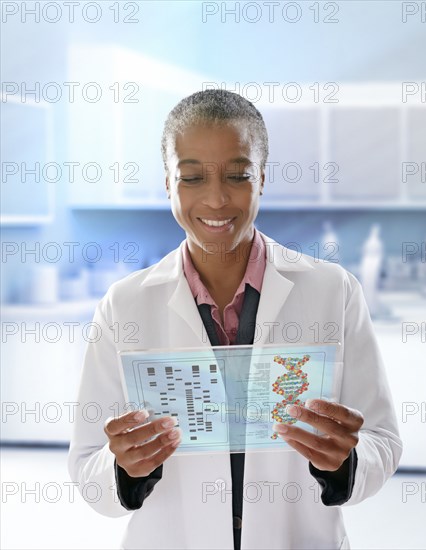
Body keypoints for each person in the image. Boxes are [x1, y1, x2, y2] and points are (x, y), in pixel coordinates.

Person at [68, 90, 402, 550]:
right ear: (168, 182)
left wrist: (345, 464)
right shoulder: (124, 305)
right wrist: (123, 471)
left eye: (238, 175)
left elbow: (382, 440)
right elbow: (88, 465)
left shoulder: (333, 292)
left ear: (262, 178)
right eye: (191, 177)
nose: (217, 198)